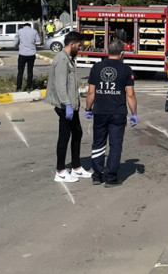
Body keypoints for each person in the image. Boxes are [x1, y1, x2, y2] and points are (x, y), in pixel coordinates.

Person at [85, 38, 137, 186]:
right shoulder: (126, 70)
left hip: (100, 111)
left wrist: (88, 109)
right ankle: (111, 177)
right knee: (115, 145)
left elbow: (91, 92)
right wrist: (134, 114)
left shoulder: (96, 67)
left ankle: (97, 175)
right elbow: (130, 95)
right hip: (118, 112)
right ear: (122, 53)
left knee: (98, 143)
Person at [45, 32, 91, 183]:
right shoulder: (61, 60)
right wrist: (67, 105)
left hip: (71, 104)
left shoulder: (69, 59)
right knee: (64, 137)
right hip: (65, 105)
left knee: (77, 133)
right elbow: (60, 85)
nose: (80, 47)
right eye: (79, 45)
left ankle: (76, 168)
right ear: (72, 44)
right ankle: (60, 171)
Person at [14, 21, 41, 92]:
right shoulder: (34, 31)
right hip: (31, 54)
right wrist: (32, 44)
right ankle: (29, 87)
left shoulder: (19, 31)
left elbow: (15, 42)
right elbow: (38, 42)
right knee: (30, 71)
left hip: (22, 53)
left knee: (20, 71)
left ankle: (18, 88)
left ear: (23, 26)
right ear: (30, 26)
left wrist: (17, 46)